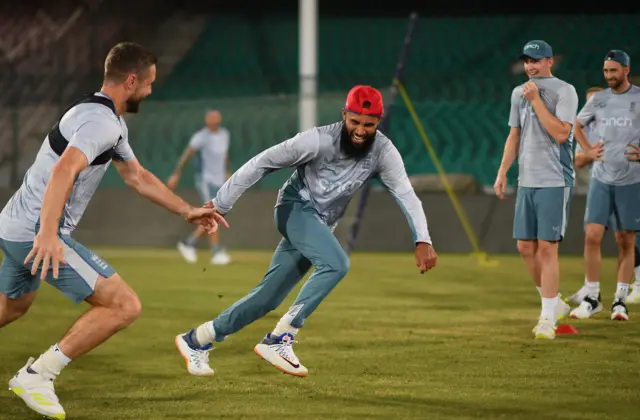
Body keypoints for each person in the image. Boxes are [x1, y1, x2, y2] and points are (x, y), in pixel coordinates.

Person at [0, 42, 226, 419]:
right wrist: (49, 234)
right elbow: (63, 171)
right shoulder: (100, 123)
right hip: (35, 232)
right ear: (132, 80)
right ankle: (37, 376)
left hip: (12, 226)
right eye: (149, 83)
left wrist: (187, 210)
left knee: (13, 306)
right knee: (124, 305)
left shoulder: (102, 116)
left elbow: (136, 176)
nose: (151, 91)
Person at [174, 85, 438, 377]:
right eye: (355, 122)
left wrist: (422, 238)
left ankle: (196, 340)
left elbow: (406, 194)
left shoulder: (383, 152)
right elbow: (262, 162)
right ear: (344, 115)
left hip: (319, 224)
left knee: (267, 299)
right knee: (336, 264)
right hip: (294, 209)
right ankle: (281, 338)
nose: (361, 130)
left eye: (369, 124)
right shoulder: (317, 140)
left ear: (379, 122)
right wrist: (222, 203)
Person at [494, 40, 579, 340]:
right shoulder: (519, 92)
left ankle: (546, 319)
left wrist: (536, 101)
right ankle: (553, 303)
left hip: (555, 181)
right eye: (527, 61)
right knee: (524, 247)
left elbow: (560, 134)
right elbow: (513, 135)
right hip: (527, 181)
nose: (530, 66)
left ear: (550, 61)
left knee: (547, 248)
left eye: (536, 60)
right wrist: (503, 171)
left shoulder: (565, 91)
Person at [568, 50, 640, 320]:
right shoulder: (598, 100)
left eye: (614, 71)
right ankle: (592, 297)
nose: (609, 76)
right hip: (601, 178)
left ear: (626, 70)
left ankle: (620, 301)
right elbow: (575, 125)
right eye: (606, 72)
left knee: (625, 240)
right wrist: (588, 150)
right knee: (592, 235)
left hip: (632, 181)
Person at [168, 110, 231, 265]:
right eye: (211, 118)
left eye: (216, 117)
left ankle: (189, 243)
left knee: (219, 213)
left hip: (220, 181)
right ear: (206, 120)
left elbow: (225, 156)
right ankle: (215, 250)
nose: (214, 120)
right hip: (206, 181)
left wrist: (228, 172)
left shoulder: (224, 135)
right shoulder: (201, 137)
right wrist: (176, 174)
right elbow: (187, 154)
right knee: (212, 212)